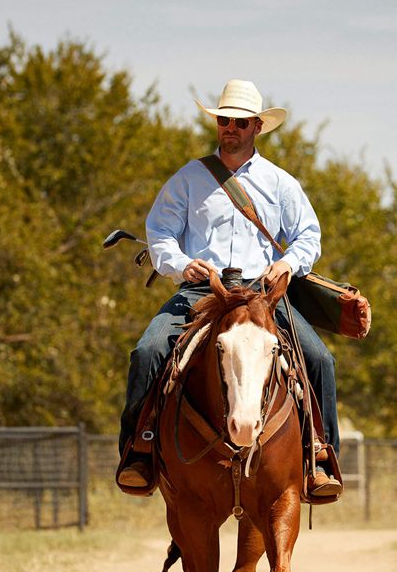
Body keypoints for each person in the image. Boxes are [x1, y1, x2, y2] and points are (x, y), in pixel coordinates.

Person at [117, 79, 341, 498]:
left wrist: (287, 264)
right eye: (224, 120)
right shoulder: (187, 179)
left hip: (262, 295)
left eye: (239, 122)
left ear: (256, 126)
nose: (230, 128)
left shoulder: (281, 183)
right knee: (148, 350)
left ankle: (320, 455)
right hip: (202, 292)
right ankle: (140, 449)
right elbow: (160, 233)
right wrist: (184, 264)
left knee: (320, 360)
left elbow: (308, 236)